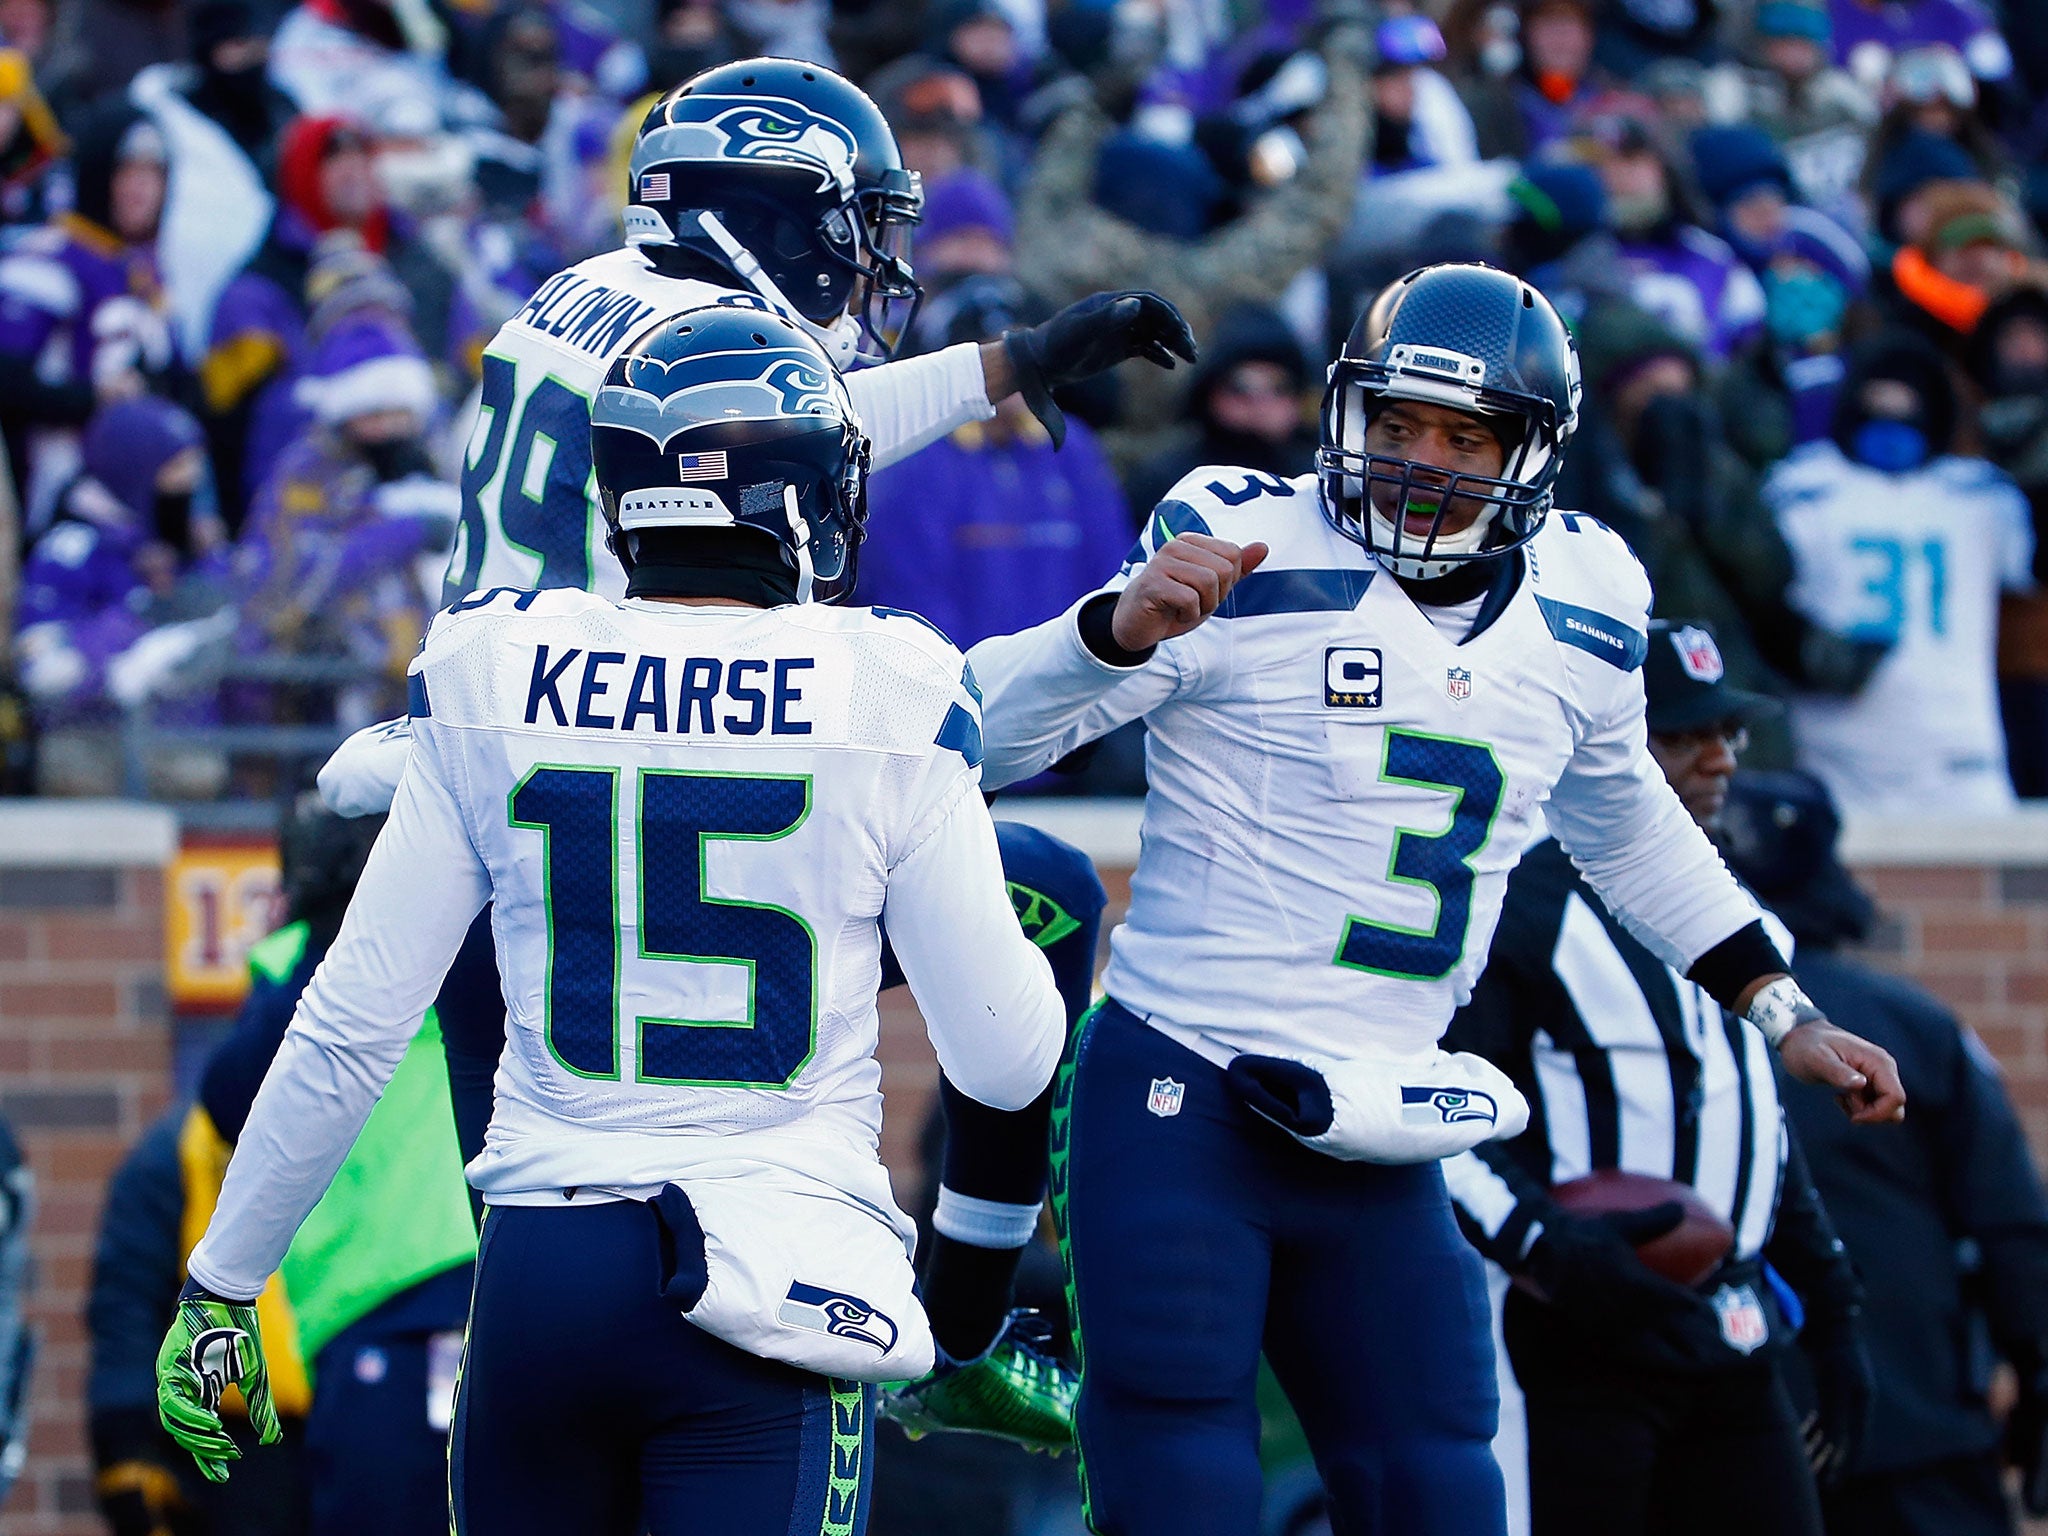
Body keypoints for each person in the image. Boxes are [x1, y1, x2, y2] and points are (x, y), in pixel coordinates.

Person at [322, 55, 1194, 1452]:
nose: (869, 259)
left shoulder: (596, 300)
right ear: (766, 212)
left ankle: (922, 1342)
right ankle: (960, 1329)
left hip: (518, 789)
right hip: (618, 801)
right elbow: (812, 447)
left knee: (553, 1315)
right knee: (1046, 907)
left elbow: (817, 422)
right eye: (852, 220)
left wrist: (1011, 365)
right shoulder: (700, 361)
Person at [962, 262, 1905, 1536]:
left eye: (1466, 437)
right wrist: (1111, 632)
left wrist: (1778, 1006)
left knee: (1440, 1483)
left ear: (1533, 451)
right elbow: (980, 736)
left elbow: (1626, 823)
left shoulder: (1586, 593)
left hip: (1390, 1105)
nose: (1421, 461)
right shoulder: (1243, 536)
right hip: (1183, 1083)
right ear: (1344, 413)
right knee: (1178, 1471)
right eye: (1397, 423)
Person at [154, 306, 1068, 1536]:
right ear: (798, 502)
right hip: (776, 1277)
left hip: (543, 1276)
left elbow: (351, 1023)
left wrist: (222, 1284)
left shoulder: (494, 666)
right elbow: (1004, 1054)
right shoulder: (886, 680)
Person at [1441, 620, 1872, 1536]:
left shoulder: (1743, 921)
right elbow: (1441, 1120)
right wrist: (1555, 1251)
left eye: (1729, 734)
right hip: (1569, 1336)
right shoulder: (1517, 900)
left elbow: (1752, 1127)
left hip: (1724, 1332)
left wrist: (1831, 1306)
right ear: (1608, 742)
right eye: (1683, 736)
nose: (1719, 760)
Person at [1719, 768, 2048, 1536]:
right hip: (1915, 1431)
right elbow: (2012, 1228)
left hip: (1726, 1431)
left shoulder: (1662, 1020)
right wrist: (2037, 1380)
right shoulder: (1912, 1024)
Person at [1767, 331, 2034, 813]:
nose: (1893, 421)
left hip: (1959, 755)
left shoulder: (1980, 497)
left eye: (1909, 407)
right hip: (1835, 755)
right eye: (1878, 406)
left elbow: (2031, 568)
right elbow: (1760, 598)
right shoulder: (1803, 488)